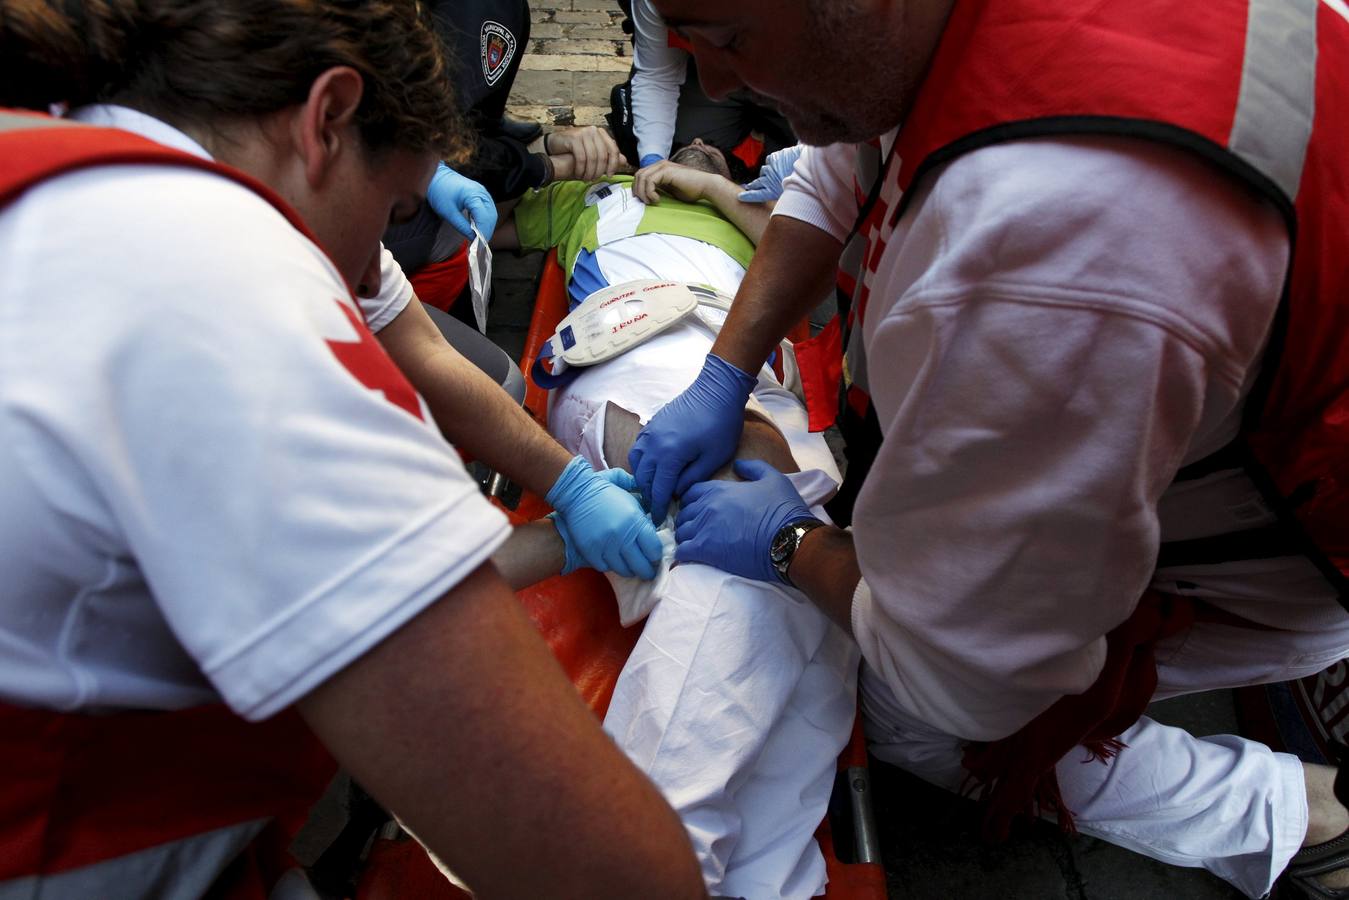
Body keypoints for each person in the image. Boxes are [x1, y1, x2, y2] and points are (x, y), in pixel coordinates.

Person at [628, 0, 1349, 897]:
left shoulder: (1060, 242)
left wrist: (791, 545)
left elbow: (964, 676)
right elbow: (836, 172)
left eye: (728, 38)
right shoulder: (908, 45)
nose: (712, 80)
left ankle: (1292, 814)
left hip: (1259, 565)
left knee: (906, 707)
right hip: (1203, 440)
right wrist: (724, 372)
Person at [0, 2, 706, 897]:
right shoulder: (239, 310)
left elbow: (410, 339)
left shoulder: (65, 155)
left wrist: (567, 487)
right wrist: (557, 536)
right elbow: (603, 867)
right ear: (327, 117)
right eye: (396, 208)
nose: (379, 253)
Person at [490, 145, 859, 898]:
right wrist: (551, 162)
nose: (698, 142)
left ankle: (747, 877)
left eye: (712, 149)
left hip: (745, 364)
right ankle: (656, 852)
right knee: (767, 518)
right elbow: (481, 222)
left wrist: (717, 189)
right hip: (632, 345)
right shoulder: (594, 198)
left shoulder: (757, 211)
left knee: (796, 557)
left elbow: (808, 260)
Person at [627, 0, 793, 171]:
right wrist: (653, 162)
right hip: (712, 76)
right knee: (692, 159)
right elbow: (658, 77)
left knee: (794, 165)